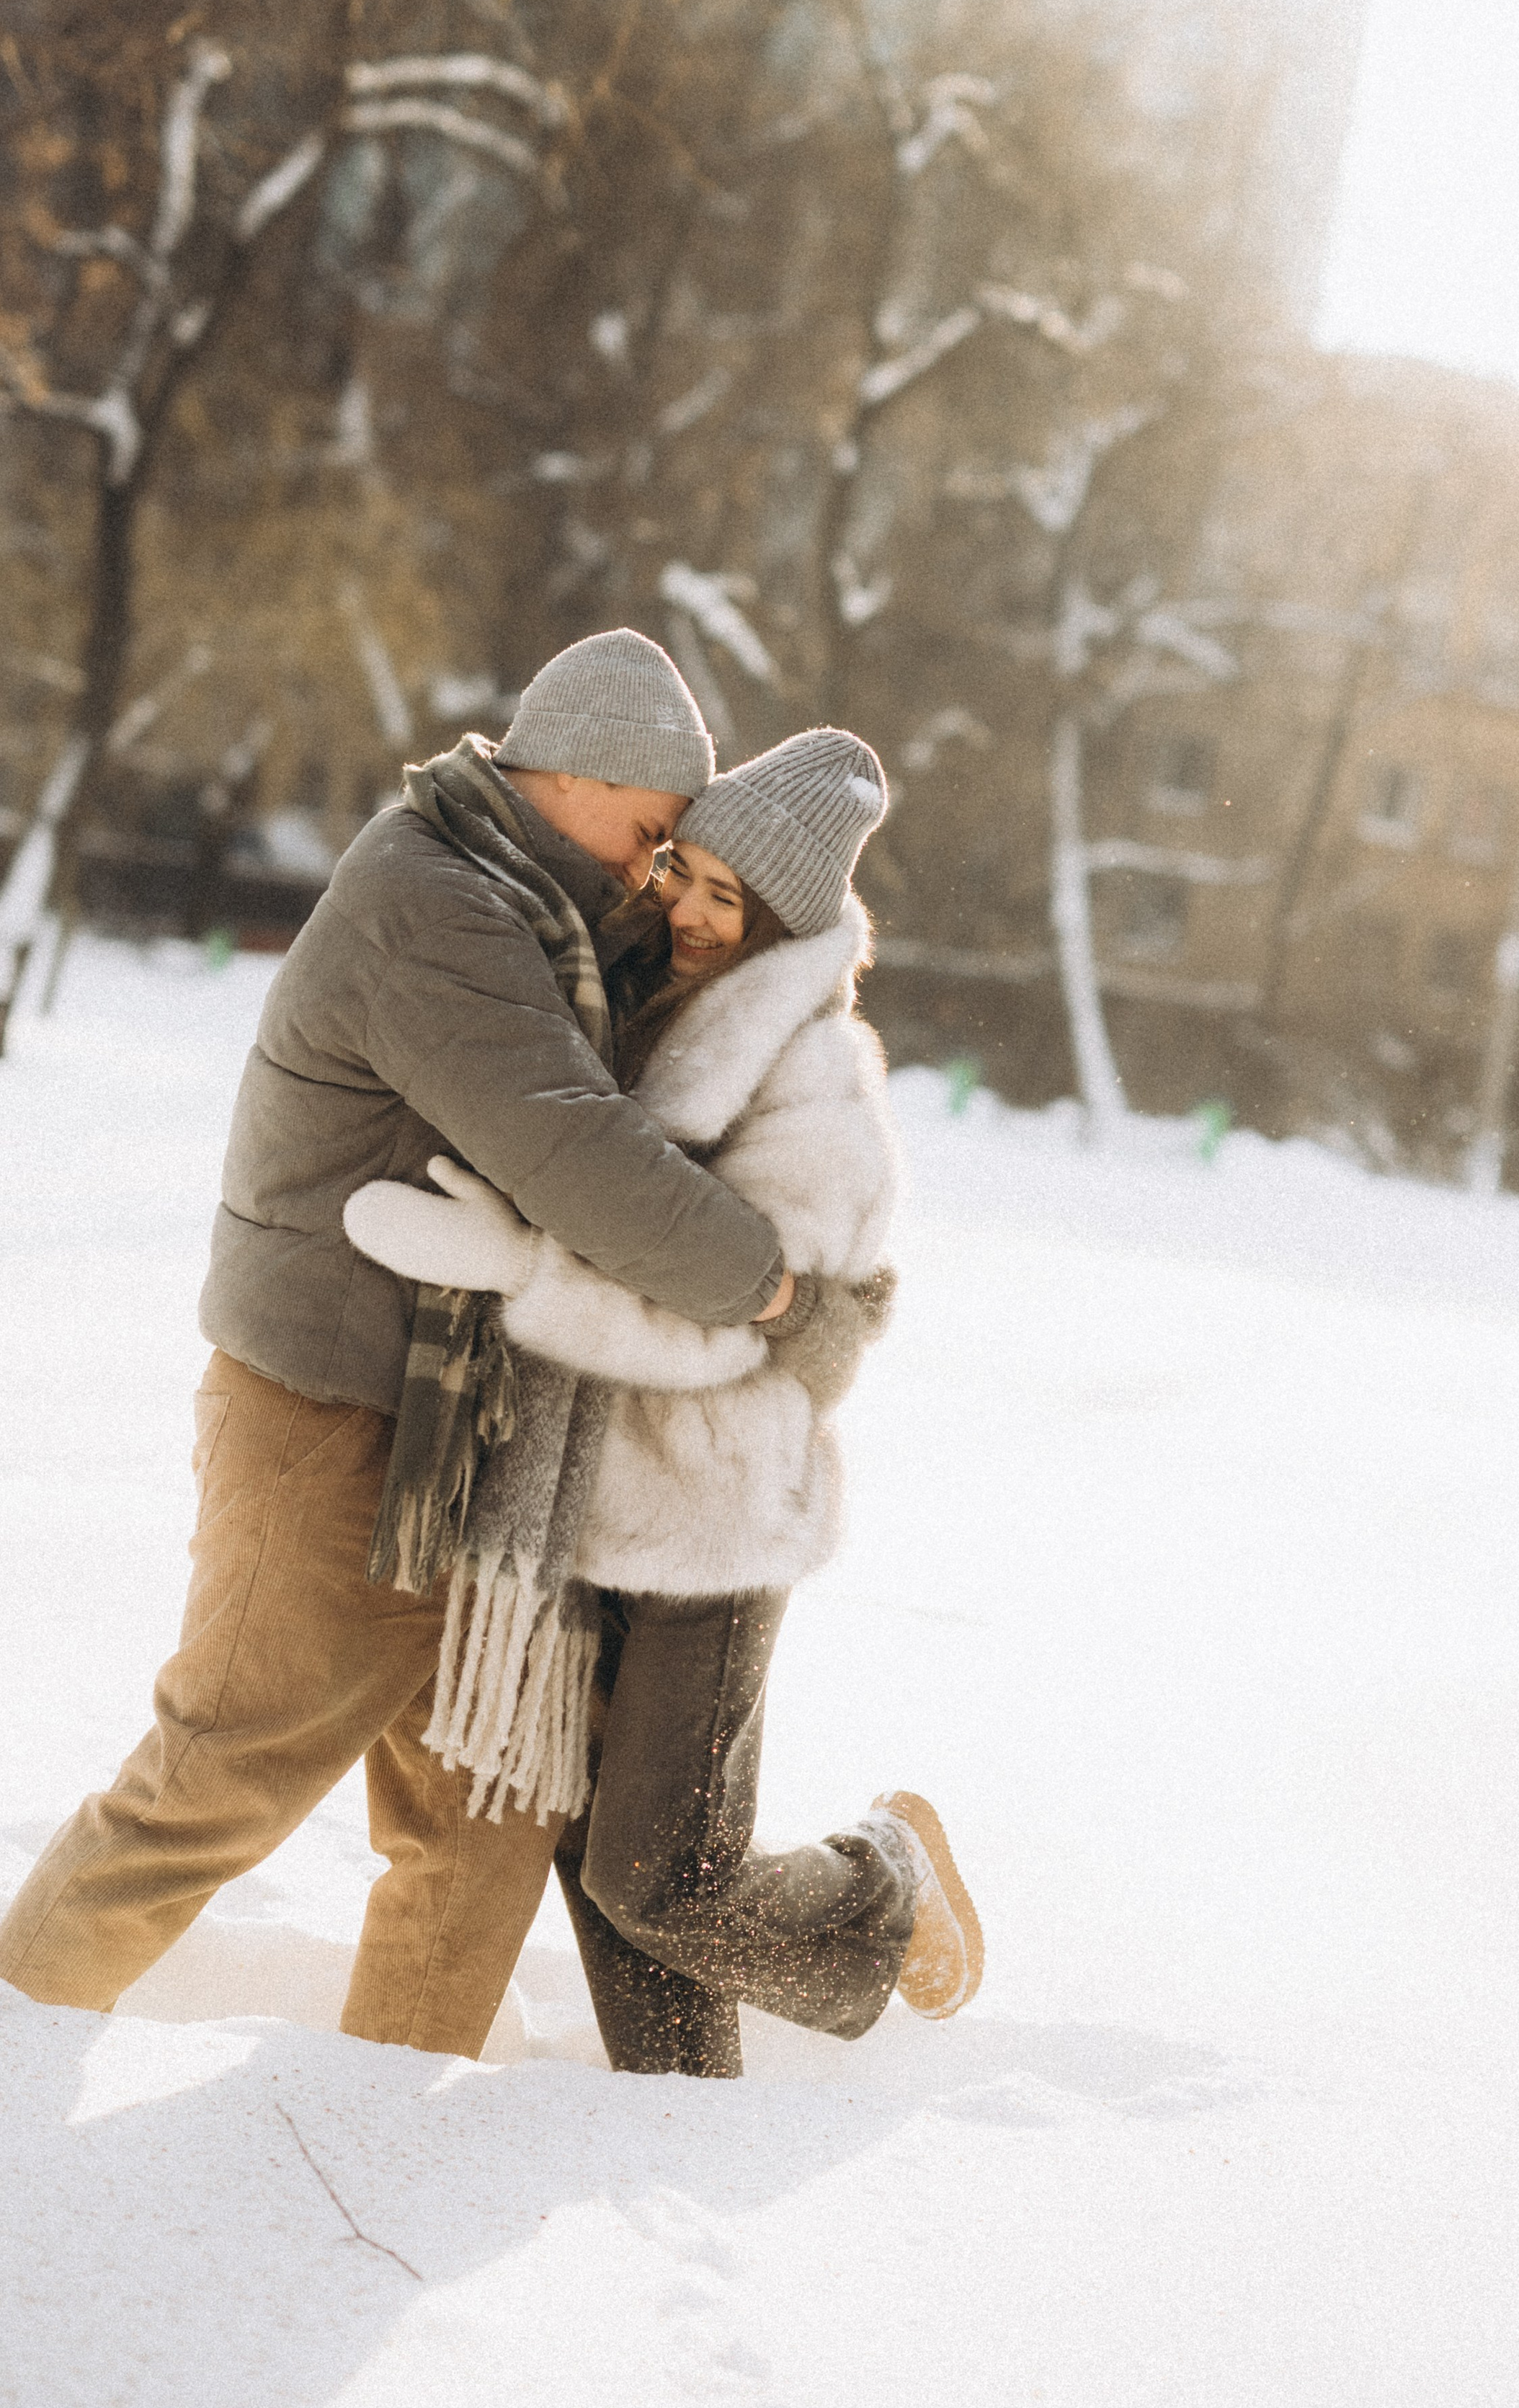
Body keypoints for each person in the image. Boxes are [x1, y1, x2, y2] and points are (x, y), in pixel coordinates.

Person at [0, 630, 801, 2060]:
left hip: (445, 1442)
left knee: (482, 1815)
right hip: (325, 1419)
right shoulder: (434, 906)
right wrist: (765, 1281)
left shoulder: (519, 898)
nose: (654, 866)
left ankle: (383, 2116)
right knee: (225, 1773)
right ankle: (17, 2032)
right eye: (651, 829)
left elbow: (712, 974)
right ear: (581, 776)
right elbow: (574, 1151)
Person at [342, 727, 982, 2077]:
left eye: (725, 900)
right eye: (685, 871)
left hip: (713, 1512)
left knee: (661, 1874)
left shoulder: (817, 1090)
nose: (686, 908)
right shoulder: (632, 1000)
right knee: (600, 1847)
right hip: (583, 1489)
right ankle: (679, 2105)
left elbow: (745, 1325)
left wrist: (524, 1272)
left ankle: (889, 1885)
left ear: (781, 925)